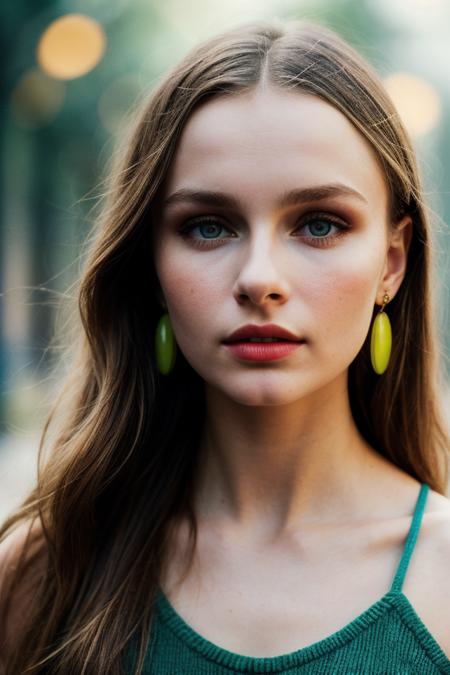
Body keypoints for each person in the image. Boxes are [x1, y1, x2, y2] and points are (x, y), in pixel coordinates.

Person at [1, 17, 449, 675]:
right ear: (150, 264)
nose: (260, 278)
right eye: (208, 227)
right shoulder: (44, 579)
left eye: (319, 224)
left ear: (392, 262)